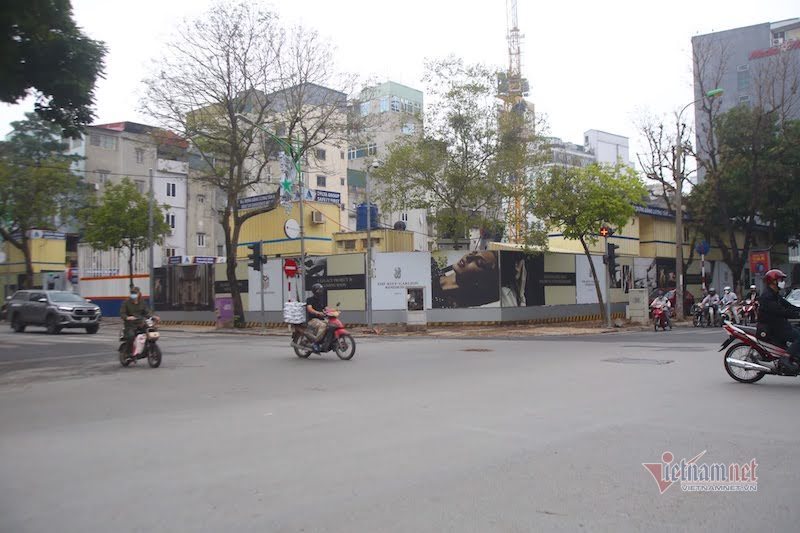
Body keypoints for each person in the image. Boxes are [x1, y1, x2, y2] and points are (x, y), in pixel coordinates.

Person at [757, 269, 800, 373]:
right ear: (773, 281)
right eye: (780, 279)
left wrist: (798, 310)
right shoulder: (767, 296)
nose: (782, 282)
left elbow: (788, 305)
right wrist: (796, 314)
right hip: (774, 327)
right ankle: (786, 357)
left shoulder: (775, 294)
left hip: (780, 324)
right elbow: (780, 311)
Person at [431, 251, 499, 308]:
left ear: (483, 281)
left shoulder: (446, 311)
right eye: (474, 252)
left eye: (479, 262)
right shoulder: (430, 264)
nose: (469, 257)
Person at [120, 287, 157, 356]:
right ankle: (129, 352)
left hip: (141, 323)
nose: (133, 295)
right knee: (131, 336)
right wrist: (127, 317)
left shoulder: (142, 302)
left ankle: (149, 346)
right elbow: (122, 313)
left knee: (152, 330)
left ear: (139, 294)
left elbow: (147, 312)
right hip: (130, 324)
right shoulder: (126, 303)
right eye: (132, 293)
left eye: (135, 293)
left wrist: (153, 316)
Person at [305, 283, 327, 353]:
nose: (320, 292)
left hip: (321, 319)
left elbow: (326, 308)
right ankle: (315, 342)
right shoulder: (310, 299)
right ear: (314, 291)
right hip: (313, 320)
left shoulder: (321, 300)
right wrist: (317, 313)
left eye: (321, 290)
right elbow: (309, 309)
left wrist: (334, 311)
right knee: (323, 326)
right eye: (319, 290)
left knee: (331, 324)